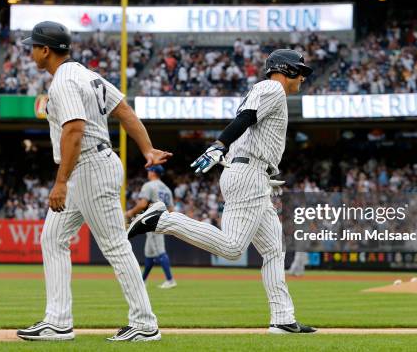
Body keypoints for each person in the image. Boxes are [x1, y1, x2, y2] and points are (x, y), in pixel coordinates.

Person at [128, 49, 317, 334]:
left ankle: (283, 318)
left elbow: (250, 124)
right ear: (285, 69)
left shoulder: (268, 91)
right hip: (248, 174)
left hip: (253, 174)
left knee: (273, 249)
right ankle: (162, 219)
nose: (303, 77)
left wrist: (266, 173)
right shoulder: (272, 88)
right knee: (231, 247)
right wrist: (220, 144)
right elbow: (246, 118)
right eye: (299, 70)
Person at [16, 21, 172, 342]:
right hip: (91, 165)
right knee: (53, 238)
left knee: (115, 246)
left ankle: (145, 324)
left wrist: (60, 182)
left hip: (87, 166)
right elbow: (124, 110)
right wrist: (147, 149)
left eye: (33, 46)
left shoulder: (63, 81)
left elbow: (74, 129)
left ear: (46, 50)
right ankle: (58, 321)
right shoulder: (89, 75)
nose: (30, 51)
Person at [126, 165, 176, 289]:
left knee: (160, 251)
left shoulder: (149, 185)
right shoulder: (166, 189)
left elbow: (143, 203)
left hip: (153, 222)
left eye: (149, 171)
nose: (148, 173)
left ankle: (170, 280)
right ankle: (143, 281)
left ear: (153, 172)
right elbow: (171, 209)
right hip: (162, 220)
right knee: (149, 254)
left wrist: (131, 212)